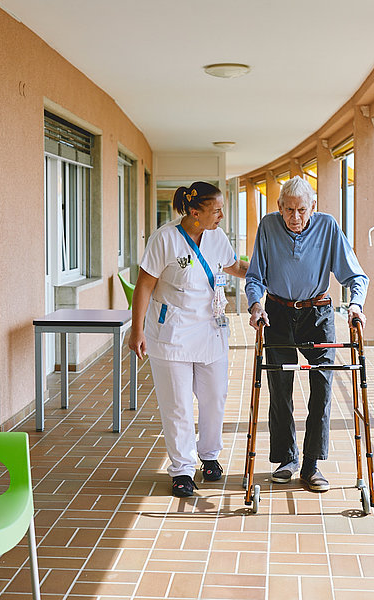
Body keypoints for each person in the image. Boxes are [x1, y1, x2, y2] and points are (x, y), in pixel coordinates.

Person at [245, 175, 368, 493]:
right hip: (278, 313)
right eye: (288, 210)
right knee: (280, 388)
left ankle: (311, 465)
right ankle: (287, 459)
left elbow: (354, 274)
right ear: (279, 207)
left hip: (318, 314)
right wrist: (256, 305)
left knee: (322, 388)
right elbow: (256, 276)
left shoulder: (327, 227)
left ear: (313, 206)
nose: (294, 217)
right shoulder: (268, 226)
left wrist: (355, 306)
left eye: (301, 210)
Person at [129, 181, 248, 497]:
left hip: (211, 328)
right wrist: (137, 329)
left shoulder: (216, 236)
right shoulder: (165, 239)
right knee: (177, 405)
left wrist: (263, 273)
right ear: (195, 213)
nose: (221, 215)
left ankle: (209, 455)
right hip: (173, 333)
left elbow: (233, 266)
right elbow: (143, 285)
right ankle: (182, 469)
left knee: (214, 398)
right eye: (216, 210)